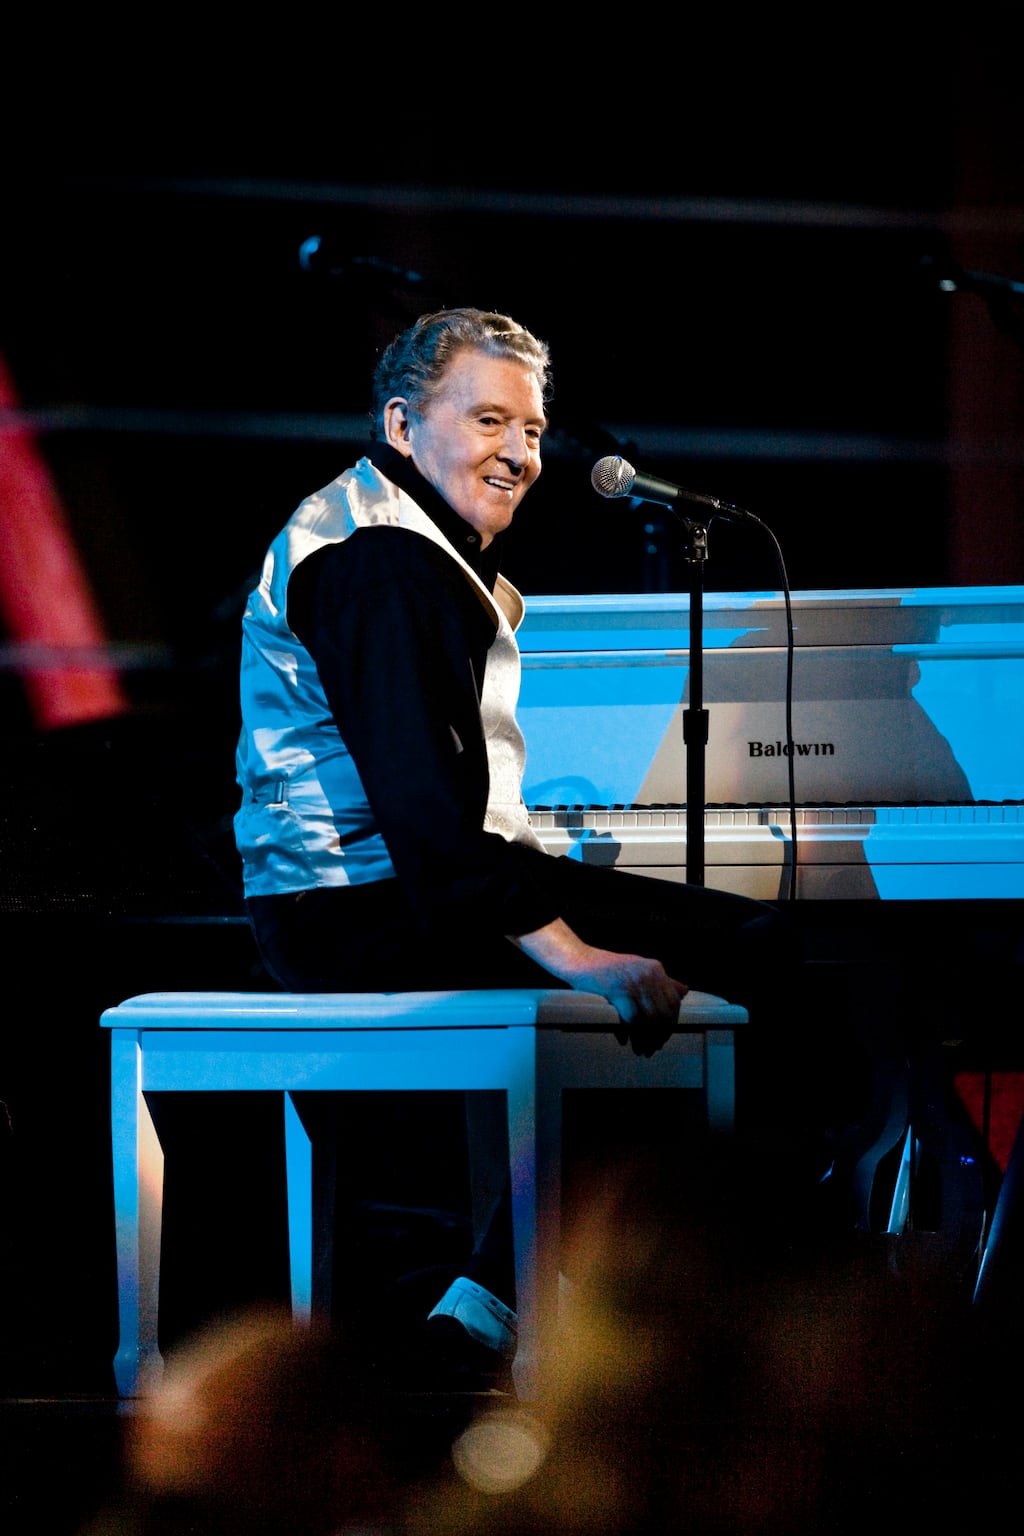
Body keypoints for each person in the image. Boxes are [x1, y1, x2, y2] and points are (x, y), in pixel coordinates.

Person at [233, 308, 804, 1381]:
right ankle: (541, 1301)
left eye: (533, 429)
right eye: (489, 419)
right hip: (360, 908)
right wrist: (577, 954)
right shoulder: (379, 562)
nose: (521, 453)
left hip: (398, 890)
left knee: (725, 952)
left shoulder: (402, 541)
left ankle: (537, 1288)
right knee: (748, 952)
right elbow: (428, 821)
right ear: (401, 426)